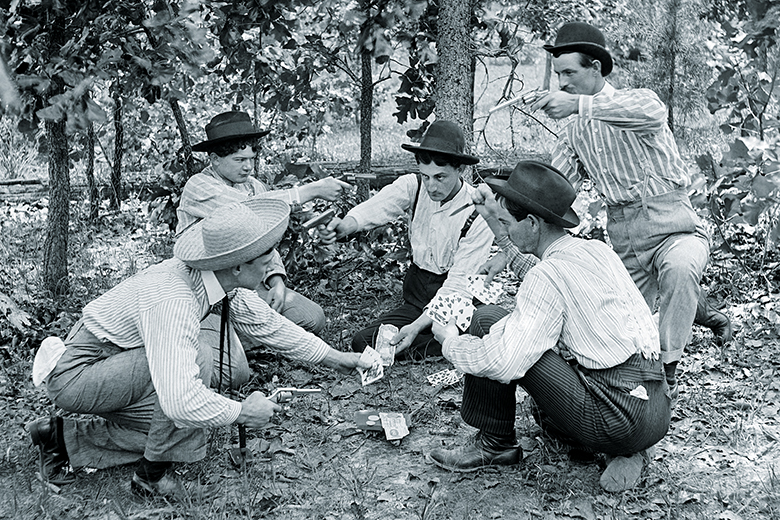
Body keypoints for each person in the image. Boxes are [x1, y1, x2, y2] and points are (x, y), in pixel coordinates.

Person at [27, 199, 369, 498]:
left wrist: (338, 360)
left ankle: (59, 437)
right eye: (265, 259)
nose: (272, 266)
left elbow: (269, 325)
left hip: (116, 364)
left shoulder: (215, 280)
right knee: (193, 378)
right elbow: (180, 401)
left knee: (179, 430)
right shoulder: (175, 299)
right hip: (79, 373)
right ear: (237, 266)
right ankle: (152, 479)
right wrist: (242, 413)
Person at [428, 161, 671, 492]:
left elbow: (504, 361)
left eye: (506, 223)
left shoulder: (548, 275)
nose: (504, 232)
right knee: (512, 333)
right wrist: (494, 220)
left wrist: (450, 344)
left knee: (487, 323)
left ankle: (495, 443)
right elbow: (540, 270)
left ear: (531, 223)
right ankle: (613, 446)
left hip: (618, 417)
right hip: (655, 410)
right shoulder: (593, 250)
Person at [527, 21, 731, 397]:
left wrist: (579, 104)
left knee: (680, 267)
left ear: (597, 69)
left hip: (673, 224)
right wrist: (507, 203)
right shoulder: (573, 131)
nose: (563, 83)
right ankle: (697, 309)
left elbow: (652, 112)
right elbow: (557, 186)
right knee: (620, 321)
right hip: (622, 234)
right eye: (559, 75)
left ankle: (666, 371)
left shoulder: (637, 101)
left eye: (570, 73)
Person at [319, 120, 494, 359]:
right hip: (418, 293)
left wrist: (414, 328)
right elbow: (380, 206)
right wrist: (346, 225)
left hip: (455, 298)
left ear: (460, 169)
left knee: (438, 331)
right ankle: (450, 341)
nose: (432, 186)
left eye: (440, 177)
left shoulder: (477, 211)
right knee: (364, 341)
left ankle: (460, 338)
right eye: (427, 176)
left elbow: (457, 286)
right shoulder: (415, 186)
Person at [178, 110, 353, 335]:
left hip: (247, 282)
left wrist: (276, 280)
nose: (247, 167)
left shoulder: (254, 186)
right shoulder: (199, 186)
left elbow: (265, 238)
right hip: (206, 287)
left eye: (251, 159)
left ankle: (243, 335)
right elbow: (248, 209)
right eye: (239, 160)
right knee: (233, 345)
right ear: (214, 159)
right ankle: (224, 335)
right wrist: (309, 191)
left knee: (312, 317)